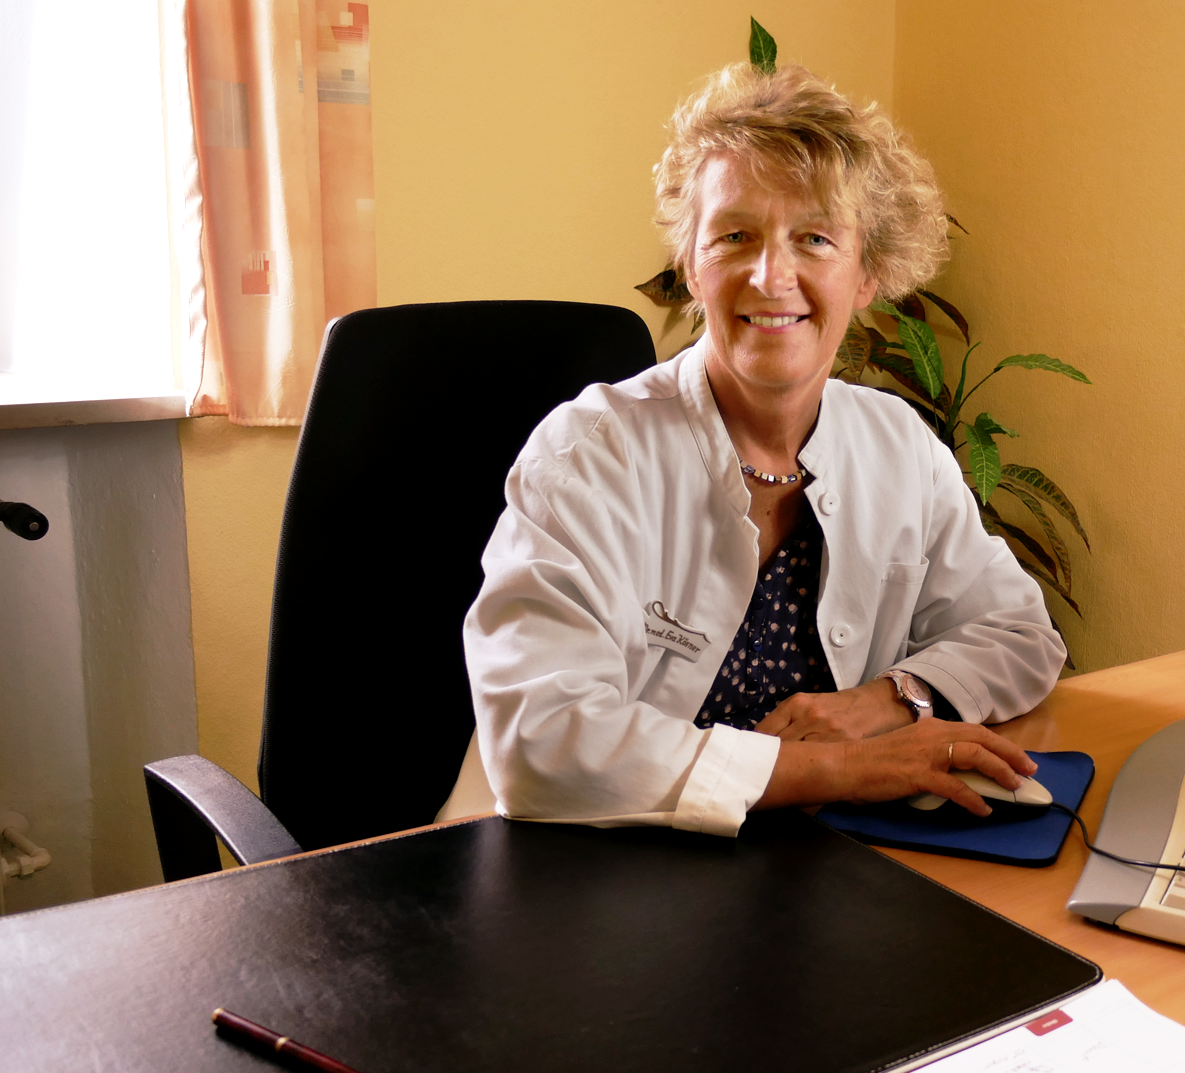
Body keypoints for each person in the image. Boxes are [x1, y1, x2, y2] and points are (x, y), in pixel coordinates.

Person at [437, 62, 1066, 835]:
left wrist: (883, 704)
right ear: (690, 267)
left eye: (815, 238)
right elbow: (542, 743)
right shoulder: (589, 456)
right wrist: (841, 769)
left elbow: (1020, 634)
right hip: (579, 860)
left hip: (817, 860)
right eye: (735, 237)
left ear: (868, 274)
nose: (772, 277)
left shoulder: (899, 445)